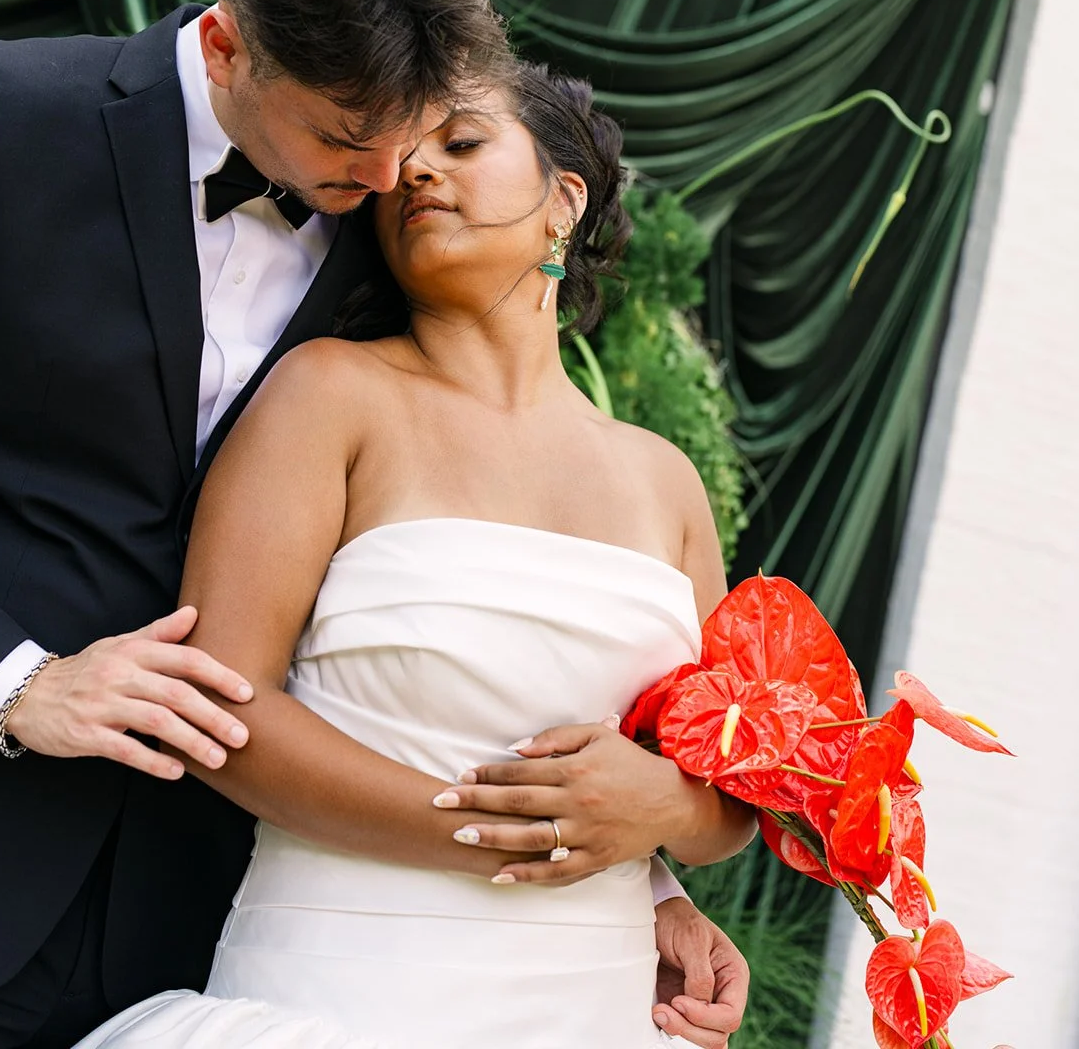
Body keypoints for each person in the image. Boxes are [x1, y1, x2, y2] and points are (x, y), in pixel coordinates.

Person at [0, 0, 746, 1047]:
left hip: (211, 931)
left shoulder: (399, 233)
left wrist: (639, 879)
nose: (395, 174)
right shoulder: (6, 119)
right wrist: (17, 682)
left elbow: (479, 638)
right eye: (351, 137)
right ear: (227, 46)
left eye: (424, 132)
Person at [73, 61, 759, 1049]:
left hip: (601, 1004)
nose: (419, 172)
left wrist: (664, 817)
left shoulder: (667, 481)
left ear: (564, 200)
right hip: (344, 991)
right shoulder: (328, 395)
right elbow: (221, 700)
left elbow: (728, 786)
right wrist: (496, 838)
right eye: (398, 166)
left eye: (463, 143)